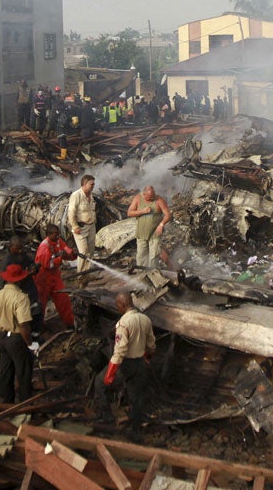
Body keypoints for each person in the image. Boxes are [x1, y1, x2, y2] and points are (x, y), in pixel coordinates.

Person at [94, 292, 156, 435]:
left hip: (126, 365)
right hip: (140, 364)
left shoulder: (123, 324)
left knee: (99, 383)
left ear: (122, 305)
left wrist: (110, 373)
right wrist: (146, 357)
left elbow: (119, 352)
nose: (118, 309)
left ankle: (108, 417)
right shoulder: (145, 319)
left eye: (118, 306)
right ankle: (136, 432)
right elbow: (152, 345)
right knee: (136, 398)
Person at [0, 264, 38, 403]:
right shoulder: (21, 298)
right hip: (16, 339)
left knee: (6, 372)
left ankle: (7, 403)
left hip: (2, 337)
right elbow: (23, 324)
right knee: (23, 373)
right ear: (19, 280)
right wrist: (29, 344)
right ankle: (25, 404)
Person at [33, 224, 77, 329]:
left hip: (54, 276)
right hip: (43, 278)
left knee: (63, 298)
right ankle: (39, 326)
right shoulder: (44, 247)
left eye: (58, 234)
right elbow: (48, 264)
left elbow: (66, 250)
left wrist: (73, 254)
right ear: (49, 235)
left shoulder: (58, 241)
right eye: (55, 235)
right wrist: (61, 258)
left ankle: (69, 322)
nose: (58, 236)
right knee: (41, 302)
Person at [2, 236, 43, 341]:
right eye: (18, 248)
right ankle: (26, 340)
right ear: (11, 247)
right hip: (18, 293)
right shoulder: (7, 261)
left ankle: (36, 336)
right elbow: (3, 282)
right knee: (24, 319)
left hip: (29, 289)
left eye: (22, 248)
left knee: (37, 314)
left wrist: (34, 268)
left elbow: (32, 263)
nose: (21, 251)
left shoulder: (22, 254)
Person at [127, 186, 172, 270]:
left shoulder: (159, 200)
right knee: (141, 255)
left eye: (153, 196)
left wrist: (161, 225)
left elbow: (168, 215)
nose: (151, 198)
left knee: (154, 256)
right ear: (144, 194)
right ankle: (141, 273)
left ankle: (152, 273)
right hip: (141, 233)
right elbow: (129, 213)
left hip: (155, 233)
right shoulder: (137, 198)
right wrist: (142, 211)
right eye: (149, 197)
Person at [67, 174, 97, 271]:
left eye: (93, 184)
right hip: (81, 228)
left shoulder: (91, 195)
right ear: (84, 184)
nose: (93, 186)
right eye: (91, 184)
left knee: (91, 251)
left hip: (91, 226)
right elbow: (71, 212)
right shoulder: (76, 195)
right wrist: (75, 226)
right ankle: (80, 275)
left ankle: (86, 272)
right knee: (83, 252)